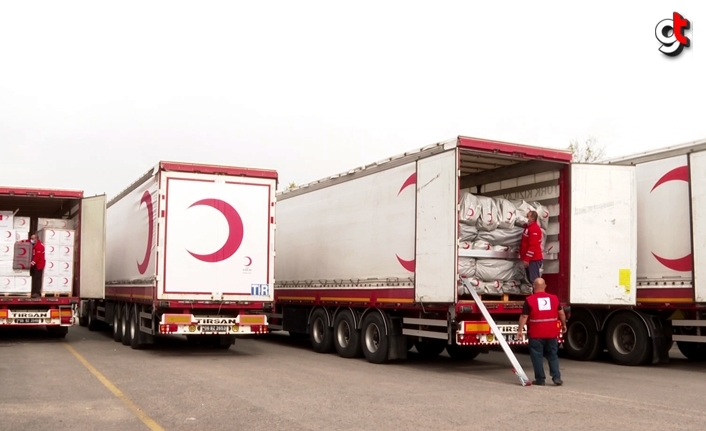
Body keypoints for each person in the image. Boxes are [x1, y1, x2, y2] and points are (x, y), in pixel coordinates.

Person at [517, 277, 567, 386]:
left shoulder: (529, 300)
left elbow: (524, 316)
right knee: (553, 355)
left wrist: (520, 330)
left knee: (537, 357)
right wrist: (564, 324)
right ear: (545, 286)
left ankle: (540, 379)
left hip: (536, 334)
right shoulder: (554, 298)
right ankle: (556, 378)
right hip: (551, 333)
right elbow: (561, 313)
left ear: (534, 287)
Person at [520, 210, 543, 286]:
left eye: (528, 216)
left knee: (535, 281)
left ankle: (538, 297)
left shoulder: (534, 229)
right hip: (531, 259)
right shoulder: (528, 228)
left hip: (533, 259)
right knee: (531, 280)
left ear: (532, 219)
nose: (526, 218)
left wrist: (527, 259)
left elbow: (532, 246)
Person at [27, 233, 46, 298]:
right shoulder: (34, 245)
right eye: (31, 238)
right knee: (34, 278)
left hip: (39, 265)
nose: (31, 240)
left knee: (37, 278)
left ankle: (37, 292)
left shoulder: (39, 246)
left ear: (36, 239)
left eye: (32, 238)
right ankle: (33, 291)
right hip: (35, 264)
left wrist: (31, 264)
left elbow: (37, 257)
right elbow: (27, 241)